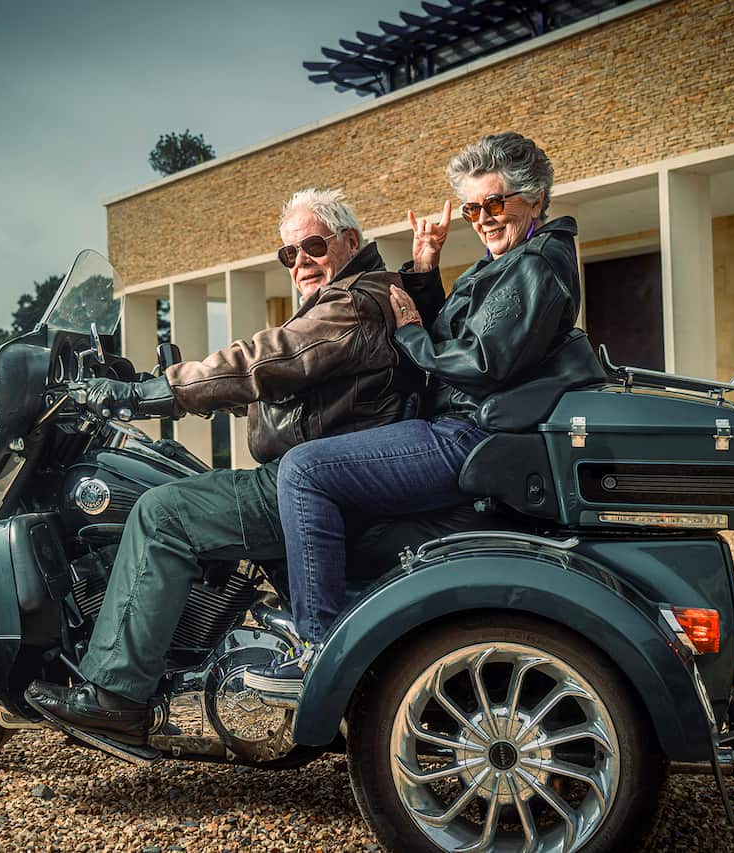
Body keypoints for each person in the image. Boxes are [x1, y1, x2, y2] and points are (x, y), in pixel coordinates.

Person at [25, 188, 444, 746]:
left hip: (311, 483)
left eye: (312, 246)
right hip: (326, 474)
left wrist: (152, 393)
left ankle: (115, 695)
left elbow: (265, 360)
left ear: (349, 241)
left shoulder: (353, 304)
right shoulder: (356, 295)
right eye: (288, 254)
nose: (299, 261)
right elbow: (284, 381)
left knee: (162, 512)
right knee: (179, 482)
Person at [243, 132, 583, 696]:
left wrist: (410, 338)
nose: (481, 219)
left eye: (494, 205)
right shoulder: (517, 260)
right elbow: (465, 332)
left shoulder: (538, 265)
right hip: (463, 426)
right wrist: (425, 270)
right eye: (473, 208)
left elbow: (480, 361)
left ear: (535, 198)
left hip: (466, 433)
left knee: (304, 470)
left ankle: (318, 649)